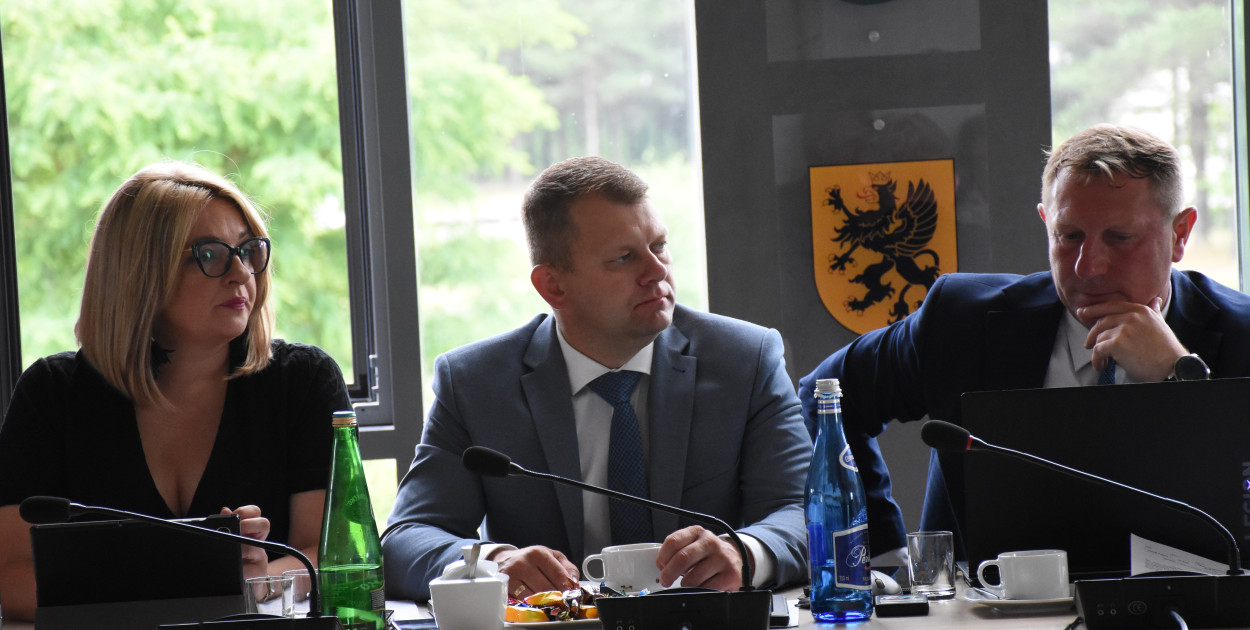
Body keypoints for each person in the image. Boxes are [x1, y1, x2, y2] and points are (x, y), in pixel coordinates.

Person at [799, 124, 1250, 560]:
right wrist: (876, 549)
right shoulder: (962, 320)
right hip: (988, 602)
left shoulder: (1240, 336)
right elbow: (827, 395)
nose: (1088, 266)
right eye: (1069, 236)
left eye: (1120, 238)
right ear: (1045, 222)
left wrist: (1179, 378)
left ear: (1179, 234)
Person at [382, 156, 812, 601]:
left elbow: (804, 511)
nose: (657, 271)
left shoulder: (745, 360)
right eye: (624, 258)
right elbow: (405, 539)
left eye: (659, 246)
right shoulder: (475, 383)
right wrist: (493, 563)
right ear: (553, 286)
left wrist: (744, 553)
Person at [0, 161, 351, 620]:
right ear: (137, 273)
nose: (241, 272)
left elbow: (331, 556)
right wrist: (194, 580)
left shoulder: (304, 381)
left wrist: (257, 579)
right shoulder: (51, 394)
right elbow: (12, 576)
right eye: (209, 254)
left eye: (247, 250)